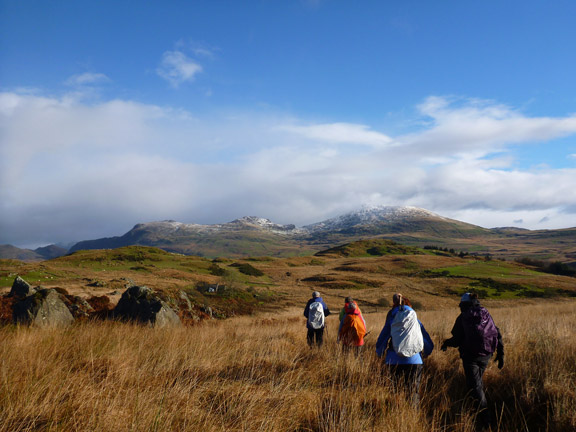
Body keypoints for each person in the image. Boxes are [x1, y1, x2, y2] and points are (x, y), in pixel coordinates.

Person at [441, 293, 504, 429]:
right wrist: (500, 354)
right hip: (487, 355)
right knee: (476, 383)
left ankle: (485, 420)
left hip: (470, 357)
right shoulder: (485, 313)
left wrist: (446, 343)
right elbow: (496, 332)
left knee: (476, 387)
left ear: (463, 304)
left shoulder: (463, 317)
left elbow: (457, 340)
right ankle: (475, 409)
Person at [376, 293, 434, 407]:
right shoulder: (414, 318)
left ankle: (396, 415)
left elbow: (383, 338)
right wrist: (427, 352)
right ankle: (412, 416)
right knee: (413, 392)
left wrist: (380, 353)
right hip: (414, 361)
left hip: (393, 361)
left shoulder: (392, 317)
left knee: (395, 392)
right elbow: (426, 339)